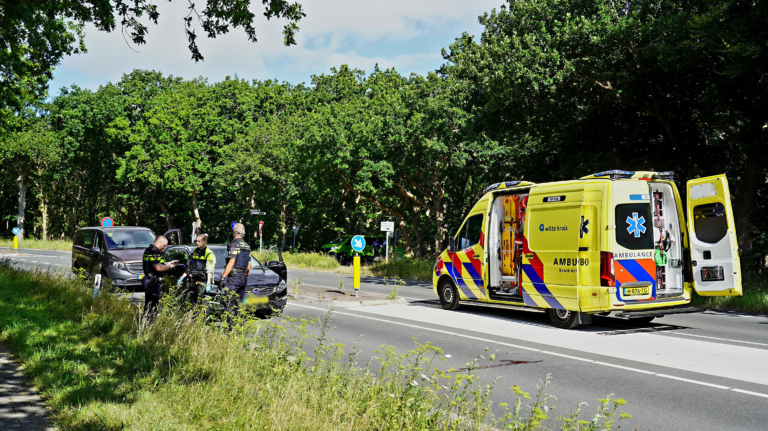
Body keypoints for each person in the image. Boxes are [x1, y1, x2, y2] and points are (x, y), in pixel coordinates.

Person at [221, 223, 251, 327]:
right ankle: (240, 326)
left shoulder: (235, 244)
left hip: (234, 278)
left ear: (235, 232)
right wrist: (245, 276)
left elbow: (231, 262)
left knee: (230, 302)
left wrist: (223, 277)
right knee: (240, 303)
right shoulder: (247, 245)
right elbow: (249, 265)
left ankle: (231, 328)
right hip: (243, 278)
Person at [142, 235, 179, 320]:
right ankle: (149, 324)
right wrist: (169, 267)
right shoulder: (153, 251)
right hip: (152, 281)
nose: (165, 247)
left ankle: (147, 323)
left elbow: (160, 264)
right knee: (152, 305)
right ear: (159, 242)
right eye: (164, 245)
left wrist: (170, 263)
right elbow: (158, 267)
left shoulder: (151, 250)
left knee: (151, 304)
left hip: (152, 280)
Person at [176, 233, 216, 307]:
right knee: (193, 303)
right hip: (193, 281)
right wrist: (182, 278)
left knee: (203, 304)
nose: (197, 243)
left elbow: (209, 270)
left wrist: (208, 283)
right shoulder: (194, 252)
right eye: (196, 241)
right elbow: (189, 267)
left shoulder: (209, 253)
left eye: (199, 241)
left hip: (203, 281)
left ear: (204, 242)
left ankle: (203, 318)